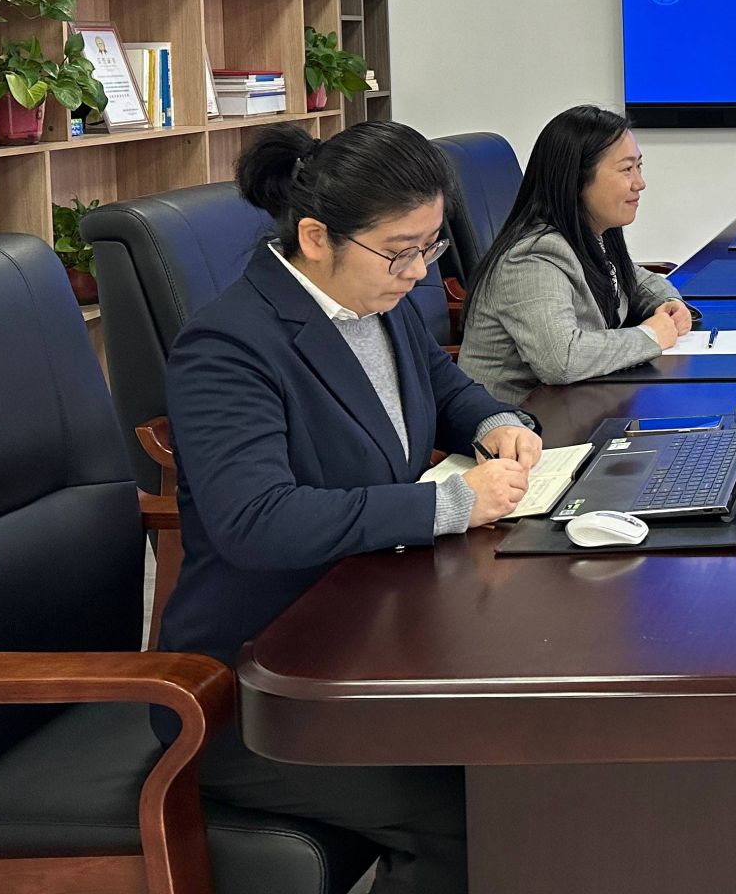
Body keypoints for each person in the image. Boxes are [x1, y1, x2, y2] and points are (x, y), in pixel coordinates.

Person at [160, 121, 545, 893]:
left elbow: (445, 391)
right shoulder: (227, 347)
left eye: (431, 246)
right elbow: (257, 520)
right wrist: (445, 505)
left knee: (526, 759)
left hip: (374, 640)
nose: (420, 271)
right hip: (257, 692)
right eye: (401, 250)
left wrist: (496, 422)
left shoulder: (377, 298)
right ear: (315, 238)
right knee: (474, 812)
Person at [459, 105, 693, 405]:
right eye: (626, 169)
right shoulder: (532, 257)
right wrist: (650, 336)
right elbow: (561, 359)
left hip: (579, 405)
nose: (640, 183)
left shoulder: (593, 231)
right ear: (578, 180)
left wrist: (669, 304)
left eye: (639, 167)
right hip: (523, 422)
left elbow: (634, 280)